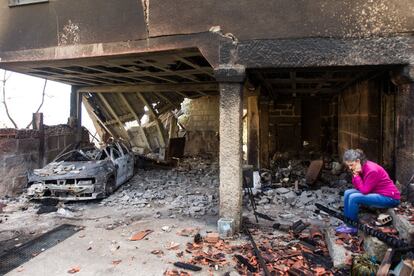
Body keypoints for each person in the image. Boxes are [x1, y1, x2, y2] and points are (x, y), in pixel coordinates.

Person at [335, 149, 401, 234]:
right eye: (348, 166)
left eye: (351, 165)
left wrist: (356, 176)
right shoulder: (361, 167)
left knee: (354, 197)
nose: (350, 168)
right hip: (377, 193)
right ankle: (347, 223)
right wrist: (355, 175)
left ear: (358, 161)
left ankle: (352, 227)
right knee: (348, 193)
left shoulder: (371, 170)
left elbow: (364, 191)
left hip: (390, 198)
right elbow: (358, 187)